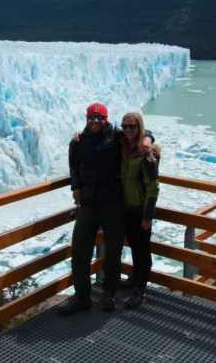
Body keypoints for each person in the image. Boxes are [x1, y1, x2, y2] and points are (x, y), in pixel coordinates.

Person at [59, 102, 151, 316]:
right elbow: (74, 167)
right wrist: (76, 187)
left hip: (112, 203)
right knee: (80, 251)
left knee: (113, 251)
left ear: (106, 119)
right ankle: (82, 297)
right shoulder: (78, 142)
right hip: (88, 205)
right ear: (86, 118)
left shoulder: (116, 137)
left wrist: (148, 138)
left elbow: (138, 132)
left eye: (100, 117)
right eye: (92, 117)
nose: (96, 121)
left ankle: (108, 292)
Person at [118, 112, 160, 309]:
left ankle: (141, 289)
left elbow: (153, 188)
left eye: (132, 127)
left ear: (139, 127)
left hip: (140, 211)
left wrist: (148, 216)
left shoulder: (147, 154)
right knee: (134, 245)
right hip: (127, 208)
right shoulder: (124, 146)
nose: (128, 130)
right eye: (125, 126)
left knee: (143, 249)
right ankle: (135, 278)